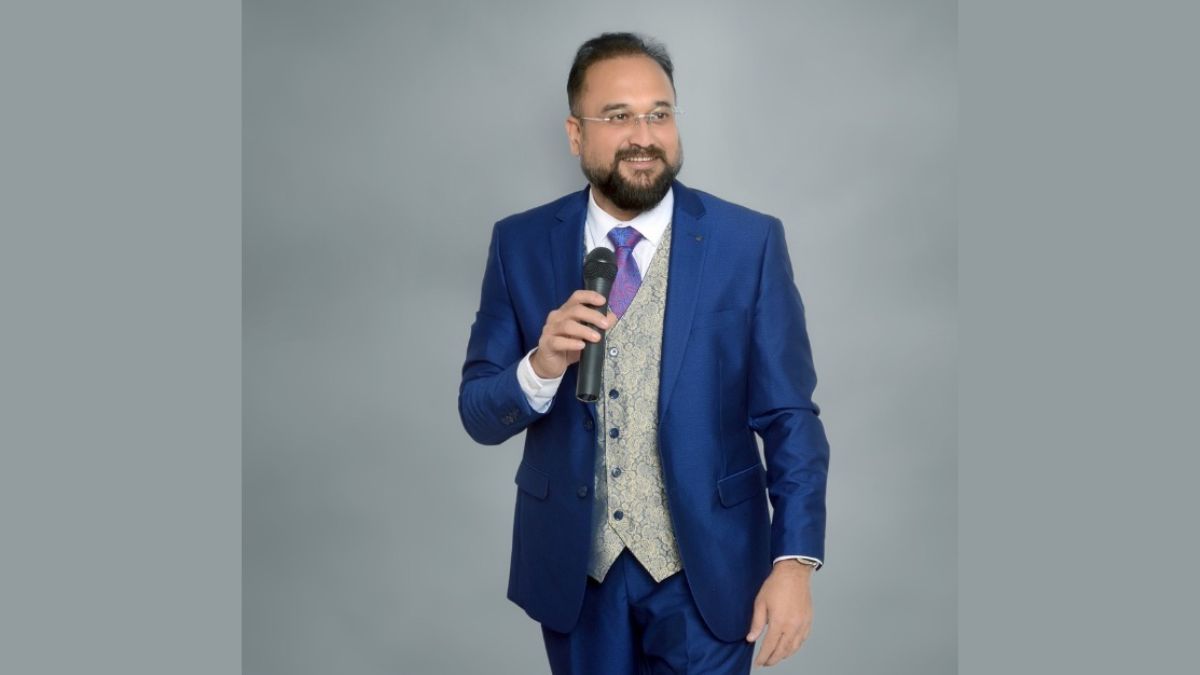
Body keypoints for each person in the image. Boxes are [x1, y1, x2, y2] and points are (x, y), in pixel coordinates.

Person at [458, 32, 830, 674]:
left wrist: (794, 561)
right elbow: (478, 414)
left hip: (709, 572)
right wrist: (540, 367)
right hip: (577, 574)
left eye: (659, 113)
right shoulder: (520, 244)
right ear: (575, 133)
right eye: (618, 116)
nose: (644, 135)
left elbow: (790, 416)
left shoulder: (748, 243)